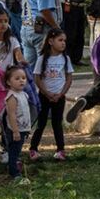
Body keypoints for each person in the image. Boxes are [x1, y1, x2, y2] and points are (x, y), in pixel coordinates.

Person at [29, 28, 73, 162]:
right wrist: (47, 93)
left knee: (57, 123)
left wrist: (61, 94)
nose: (63, 43)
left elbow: (69, 78)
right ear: (50, 41)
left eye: (64, 40)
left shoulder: (66, 59)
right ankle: (33, 149)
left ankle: (60, 150)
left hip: (59, 97)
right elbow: (37, 78)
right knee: (41, 123)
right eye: (60, 40)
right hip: (44, 96)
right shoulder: (42, 59)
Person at [2, 66, 33, 180]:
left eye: (23, 78)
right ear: (9, 82)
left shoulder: (23, 94)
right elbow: (11, 115)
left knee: (17, 150)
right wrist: (15, 131)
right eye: (17, 78)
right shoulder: (12, 96)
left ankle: (13, 167)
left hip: (23, 129)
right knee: (14, 151)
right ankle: (14, 172)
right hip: (15, 130)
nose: (21, 80)